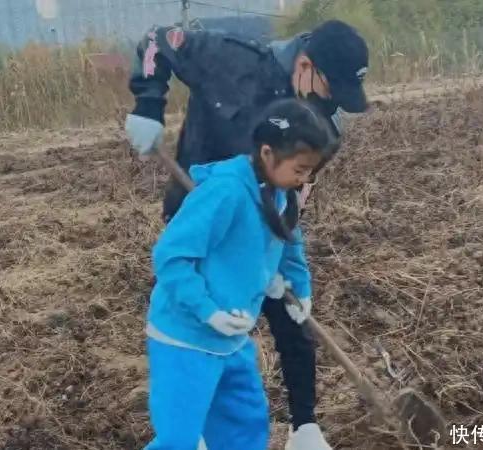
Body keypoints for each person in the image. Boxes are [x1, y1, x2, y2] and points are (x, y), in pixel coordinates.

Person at [125, 19, 370, 449]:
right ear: (306, 66)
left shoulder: (322, 127)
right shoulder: (231, 60)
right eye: (330, 90)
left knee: (289, 318)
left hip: (259, 233)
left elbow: (293, 202)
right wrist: (148, 105)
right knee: (198, 326)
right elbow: (157, 40)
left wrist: (287, 270)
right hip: (200, 221)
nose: (329, 105)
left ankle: (303, 428)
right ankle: (189, 430)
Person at [144, 98, 332, 450]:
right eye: (300, 169)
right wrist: (207, 311)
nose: (304, 179)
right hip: (185, 338)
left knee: (244, 430)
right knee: (178, 440)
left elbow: (289, 242)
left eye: (310, 171)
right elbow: (171, 257)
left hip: (232, 340)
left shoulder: (280, 196)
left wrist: (300, 288)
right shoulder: (225, 192)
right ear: (267, 153)